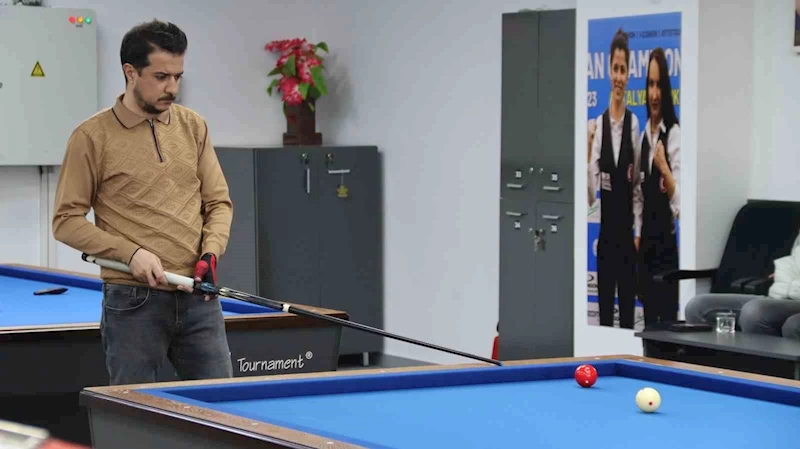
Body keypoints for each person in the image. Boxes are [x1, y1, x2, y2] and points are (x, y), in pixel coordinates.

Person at [52, 20, 234, 384]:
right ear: (130, 72)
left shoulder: (193, 126)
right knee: (134, 409)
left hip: (198, 297)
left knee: (222, 407)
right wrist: (130, 253)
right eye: (161, 77)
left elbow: (218, 203)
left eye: (178, 77)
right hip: (133, 301)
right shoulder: (91, 137)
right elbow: (66, 221)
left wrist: (211, 253)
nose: (173, 88)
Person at [587, 28, 642, 329]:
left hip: (627, 241)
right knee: (605, 318)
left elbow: (637, 189)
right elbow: (590, 194)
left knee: (628, 321)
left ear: (628, 74)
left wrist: (637, 233)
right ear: (608, 71)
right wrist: (587, 149)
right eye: (615, 69)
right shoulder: (597, 126)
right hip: (606, 241)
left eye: (624, 70)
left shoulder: (634, 125)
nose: (619, 76)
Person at [685, 231, 800, 340]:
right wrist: (784, 275)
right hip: (781, 295)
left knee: (754, 312)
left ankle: (764, 354)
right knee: (698, 306)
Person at [636, 48, 681, 329]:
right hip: (646, 249)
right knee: (648, 327)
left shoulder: (673, 133)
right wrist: (637, 233)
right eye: (650, 85)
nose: (654, 94)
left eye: (659, 85)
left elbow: (680, 204)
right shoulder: (643, 135)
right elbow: (639, 195)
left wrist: (664, 167)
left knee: (666, 327)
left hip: (665, 249)